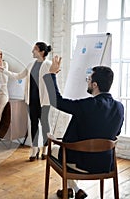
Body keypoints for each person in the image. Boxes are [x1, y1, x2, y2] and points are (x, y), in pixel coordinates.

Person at [43, 56, 124, 199]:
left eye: (89, 79)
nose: (87, 81)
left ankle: (71, 189)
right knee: (69, 150)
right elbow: (116, 133)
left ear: (95, 85)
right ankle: (73, 189)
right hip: (106, 163)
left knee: (55, 149)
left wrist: (52, 75)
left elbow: (57, 101)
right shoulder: (120, 107)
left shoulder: (87, 105)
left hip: (83, 163)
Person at [0, 42, 52, 161]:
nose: (32, 51)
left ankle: (45, 148)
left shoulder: (48, 64)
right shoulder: (31, 64)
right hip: (31, 100)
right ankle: (35, 148)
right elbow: (18, 76)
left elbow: (53, 78)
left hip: (44, 101)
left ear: (42, 52)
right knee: (33, 124)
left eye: (35, 49)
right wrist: (4, 71)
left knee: (45, 125)